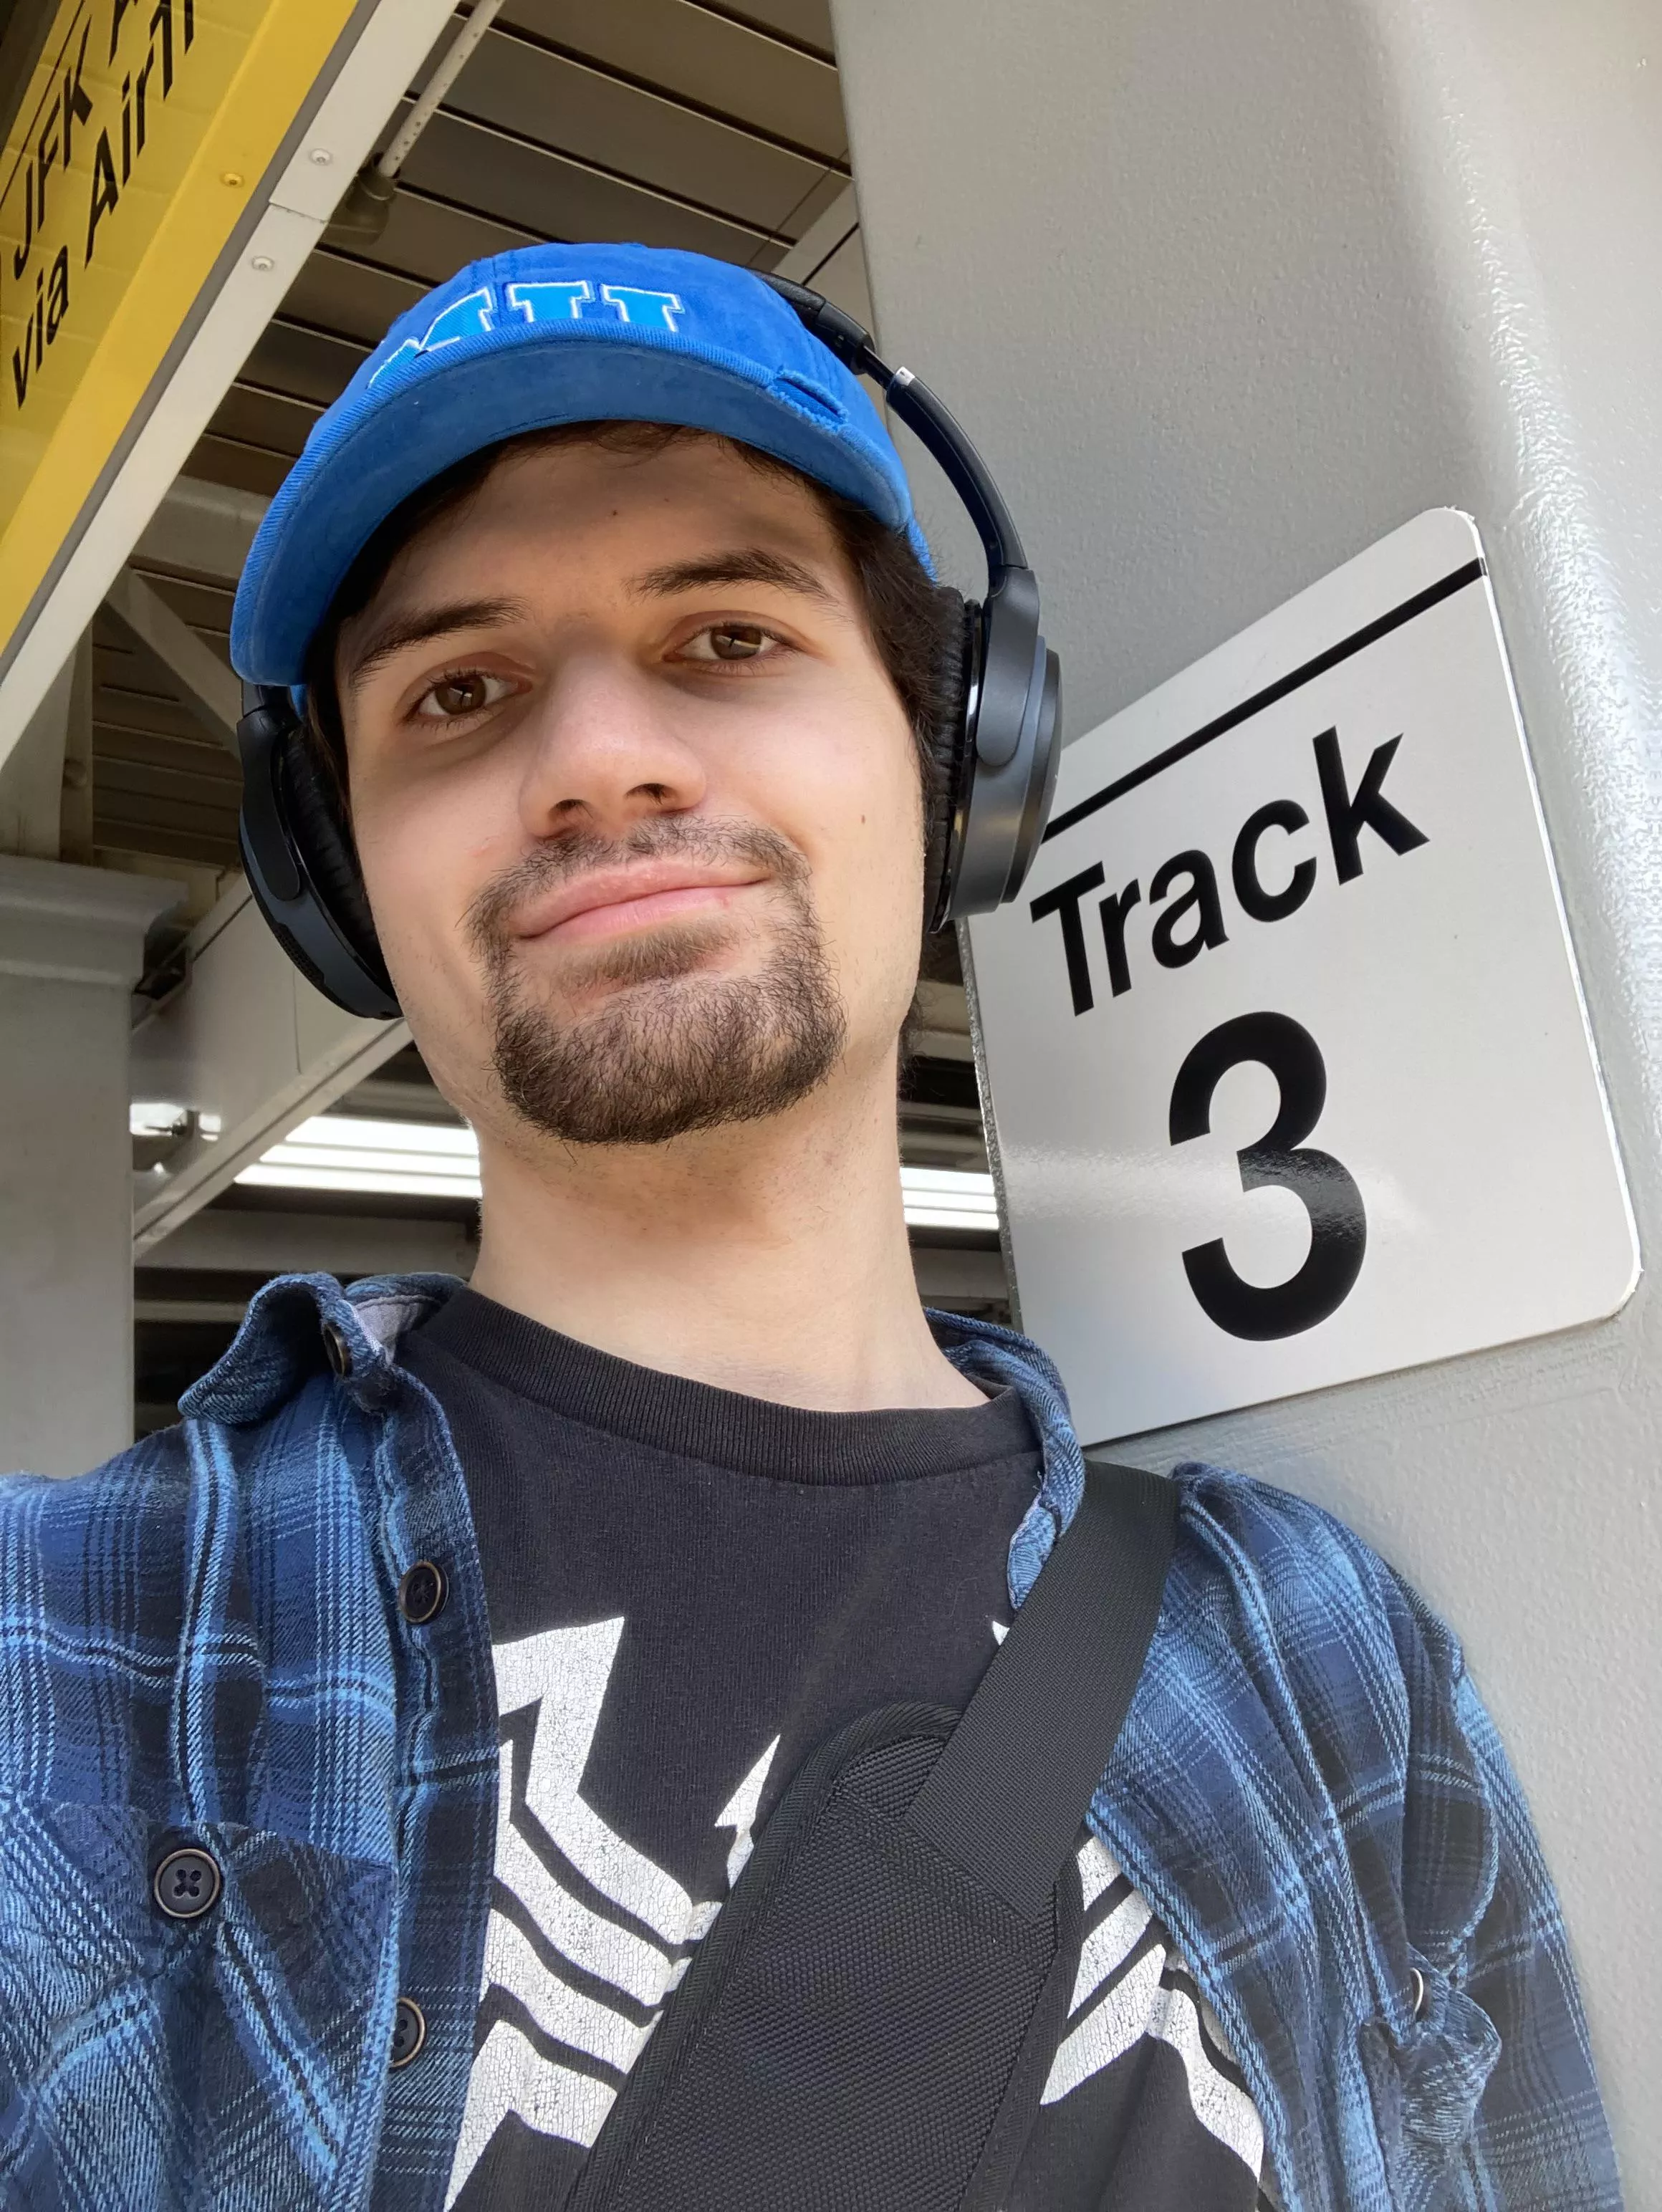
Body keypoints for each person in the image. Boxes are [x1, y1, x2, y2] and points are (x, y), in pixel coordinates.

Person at [0, 244, 1620, 2212]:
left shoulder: (1323, 1661)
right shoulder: (68, 1660)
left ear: (958, 764)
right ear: (339, 883)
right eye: (461, 688)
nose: (595, 752)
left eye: (728, 641)